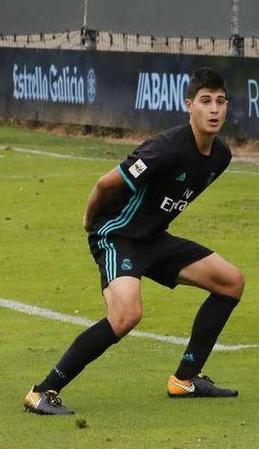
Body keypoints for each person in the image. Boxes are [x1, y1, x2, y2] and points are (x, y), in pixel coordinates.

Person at [24, 67, 244, 415]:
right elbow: (106, 183)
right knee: (126, 315)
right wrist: (90, 222)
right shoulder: (164, 149)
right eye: (205, 101)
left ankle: (185, 379)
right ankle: (43, 391)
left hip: (154, 239)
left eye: (220, 101)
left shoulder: (221, 157)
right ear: (189, 105)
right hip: (118, 236)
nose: (214, 109)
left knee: (231, 282)